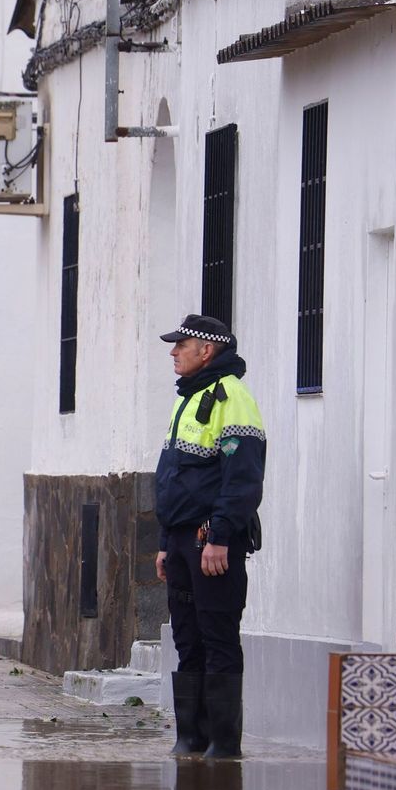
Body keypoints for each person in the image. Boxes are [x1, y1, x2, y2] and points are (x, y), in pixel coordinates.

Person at [154, 315, 266, 760]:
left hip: (211, 541)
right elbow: (174, 480)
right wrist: (165, 541)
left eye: (181, 344)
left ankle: (223, 742)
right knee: (187, 637)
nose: (173, 351)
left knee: (218, 634)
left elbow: (242, 479)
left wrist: (220, 535)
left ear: (207, 350)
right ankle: (191, 738)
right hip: (181, 542)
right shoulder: (189, 398)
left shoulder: (232, 398)